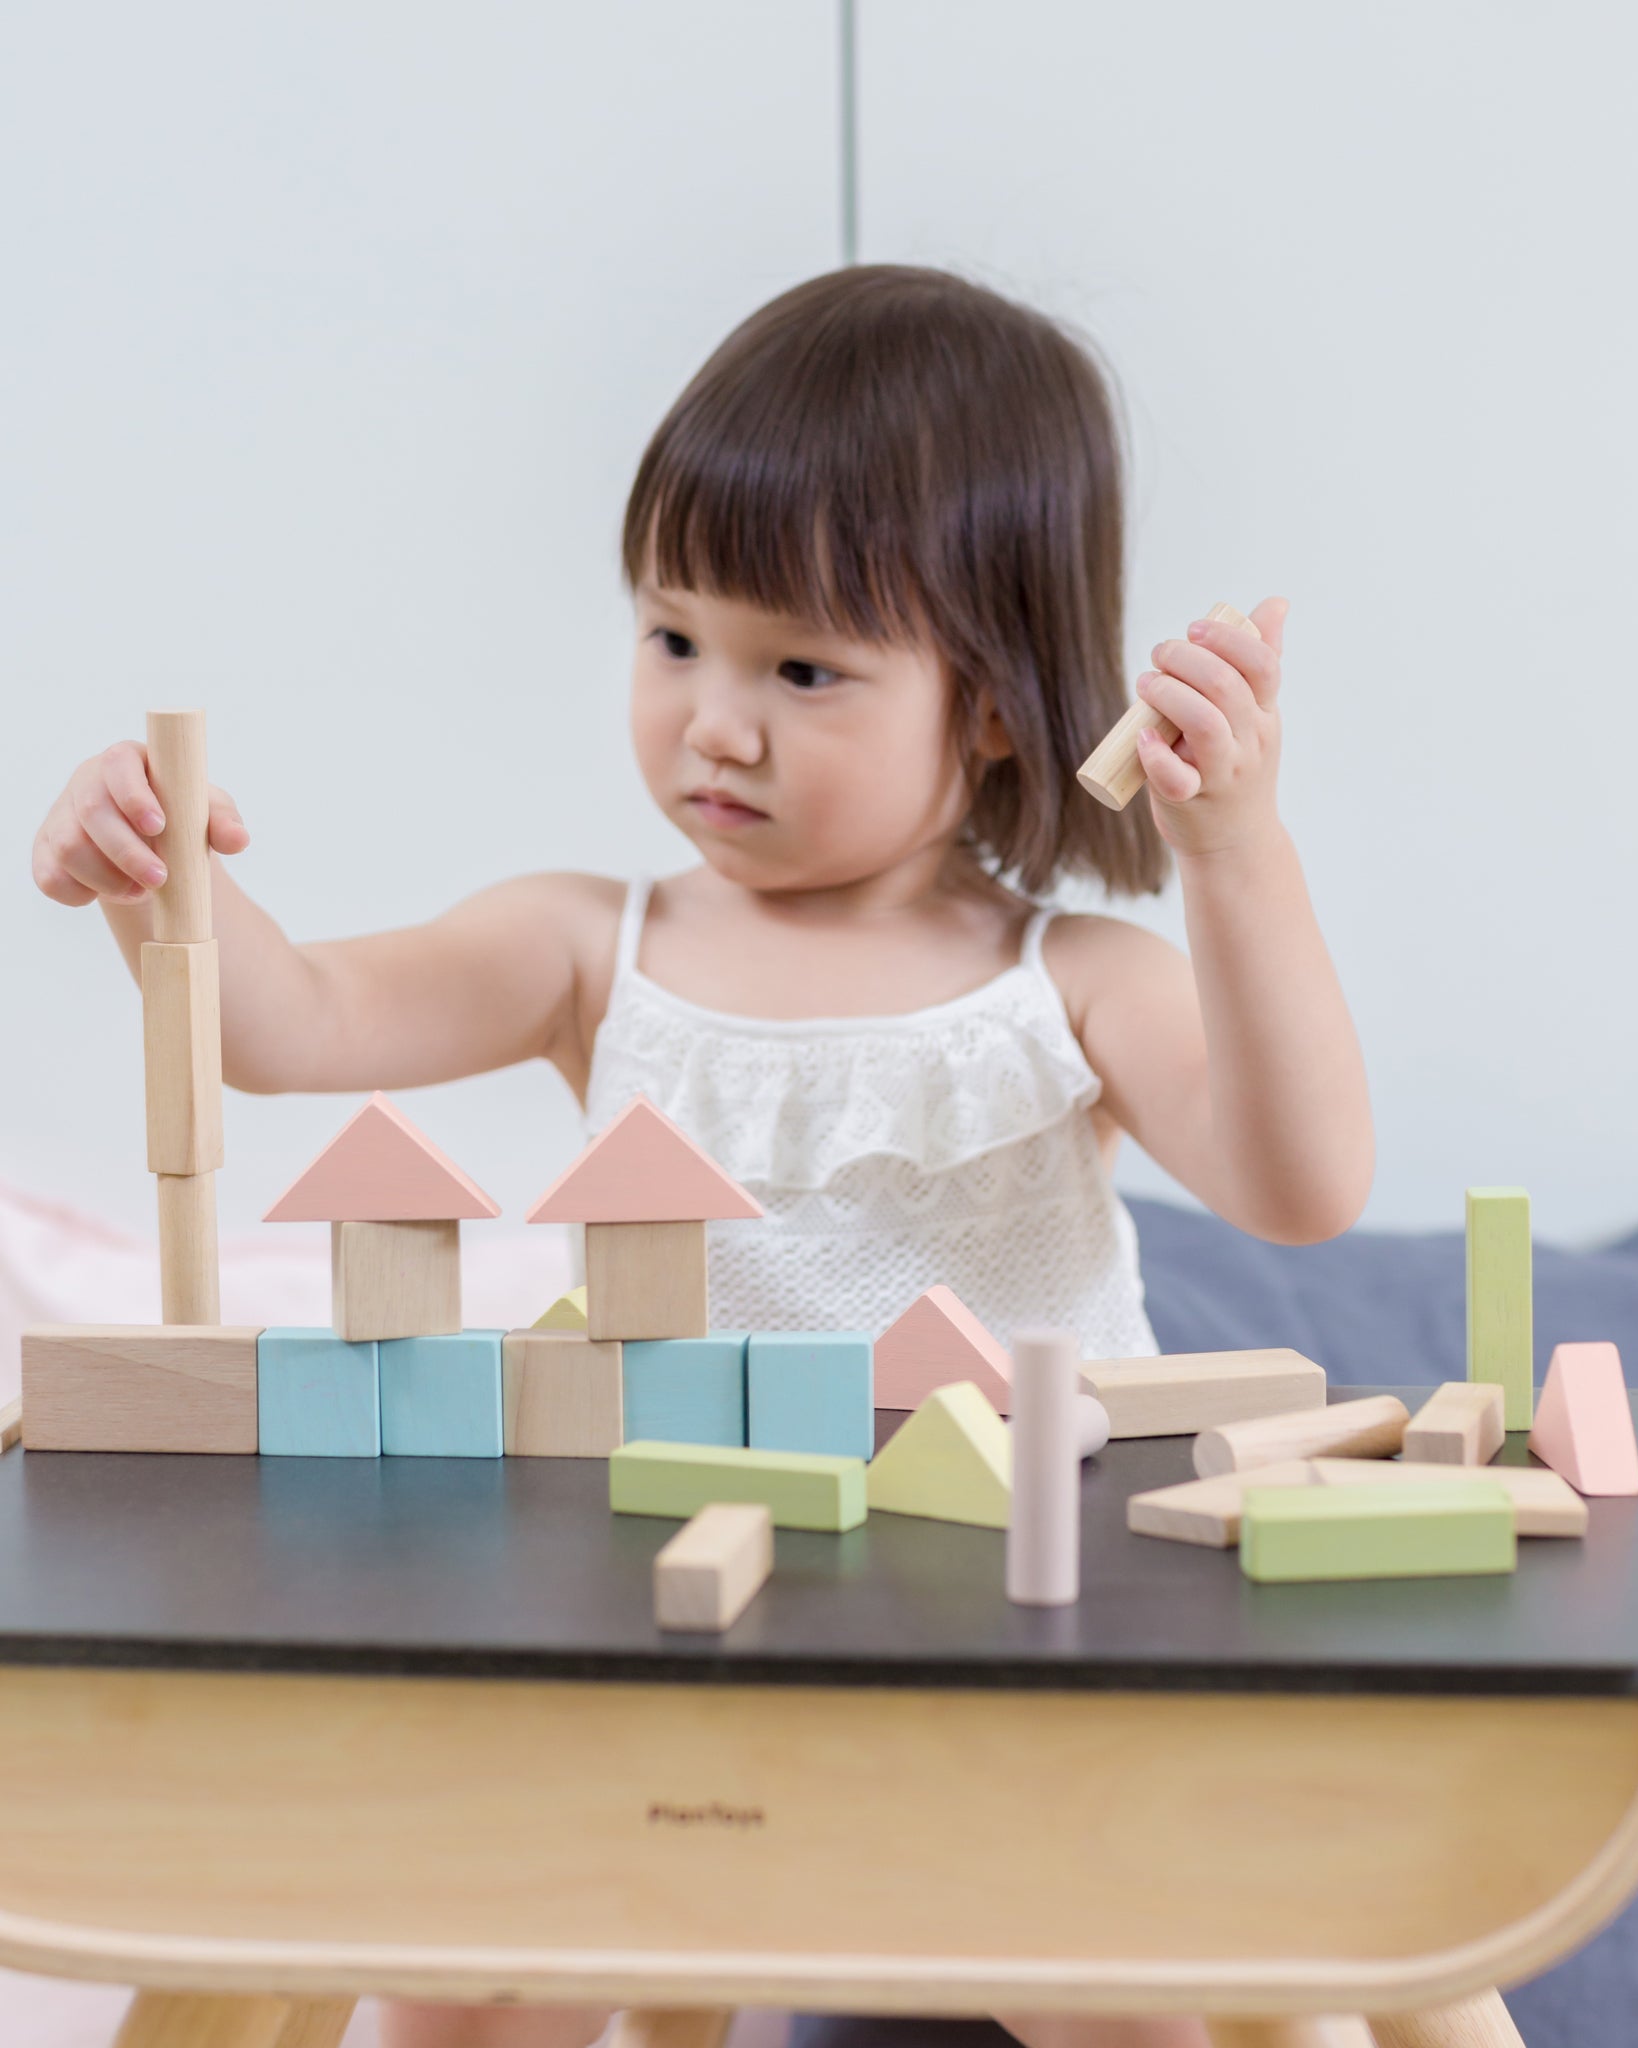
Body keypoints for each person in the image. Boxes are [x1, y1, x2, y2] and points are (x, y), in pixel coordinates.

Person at [31, 265, 1375, 2048]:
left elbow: (1304, 1185)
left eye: (802, 668)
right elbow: (291, 1028)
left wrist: (1237, 855)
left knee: (1116, 1983)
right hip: (663, 1612)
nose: (713, 721)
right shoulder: (597, 944)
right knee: (464, 1962)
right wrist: (164, 889)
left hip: (1009, 1632)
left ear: (988, 707)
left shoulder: (1069, 985)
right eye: (673, 637)